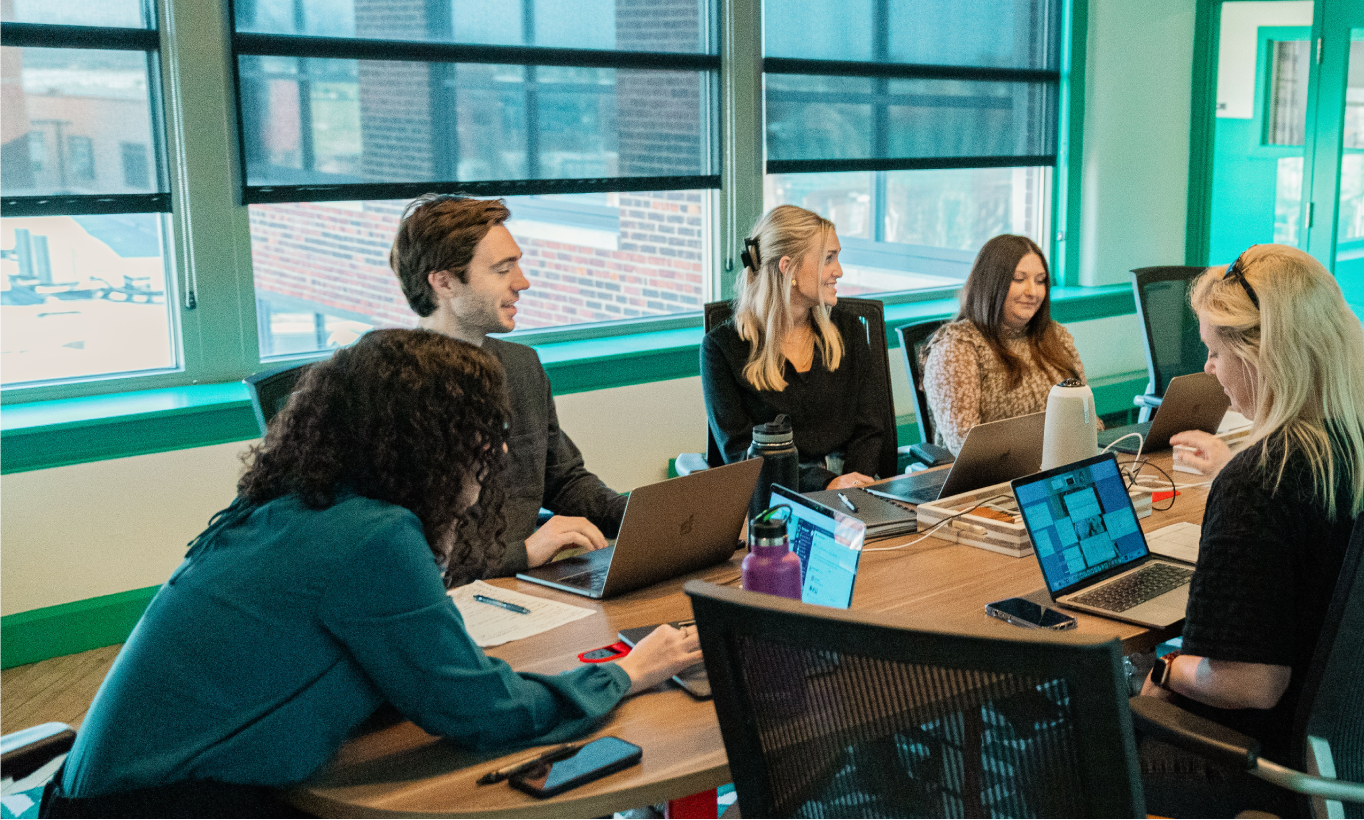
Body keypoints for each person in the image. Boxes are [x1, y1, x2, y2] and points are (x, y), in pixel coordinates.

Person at [44, 330, 700, 819]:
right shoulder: (371, 536)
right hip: (165, 804)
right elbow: (482, 713)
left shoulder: (295, 504)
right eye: (485, 428)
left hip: (106, 792)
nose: (499, 449)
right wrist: (627, 672)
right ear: (431, 438)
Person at [1136, 245, 1364, 817]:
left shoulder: (1257, 481)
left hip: (1276, 766)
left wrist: (1164, 668)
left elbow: (1248, 685)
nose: (1210, 369)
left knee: (1066, 749)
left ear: (1261, 356)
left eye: (1216, 353)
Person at [391, 194, 625, 575]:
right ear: (444, 282)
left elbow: (563, 481)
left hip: (524, 588)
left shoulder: (522, 366)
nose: (522, 283)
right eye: (502, 270)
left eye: (517, 265)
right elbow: (410, 553)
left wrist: (643, 516)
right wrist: (526, 553)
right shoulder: (393, 389)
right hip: (450, 596)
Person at [701, 205, 890, 491]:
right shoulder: (721, 348)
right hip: (775, 496)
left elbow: (870, 430)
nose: (838, 271)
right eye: (828, 259)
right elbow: (742, 458)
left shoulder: (849, 330)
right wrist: (826, 485)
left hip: (854, 488)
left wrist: (853, 486)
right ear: (788, 267)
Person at [920, 234, 1094, 454]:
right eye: (1019, 279)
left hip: (1063, 463)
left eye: (1040, 281)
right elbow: (966, 446)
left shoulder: (1055, 336)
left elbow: (1087, 417)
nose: (1032, 292)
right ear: (990, 284)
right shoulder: (957, 347)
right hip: (993, 473)